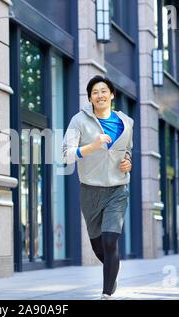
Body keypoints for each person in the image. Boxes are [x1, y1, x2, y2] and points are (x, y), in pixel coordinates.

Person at [62, 75, 133, 300]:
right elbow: (66, 155)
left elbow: (127, 149)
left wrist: (128, 162)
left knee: (111, 240)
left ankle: (106, 294)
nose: (100, 95)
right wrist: (92, 146)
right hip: (90, 190)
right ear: (90, 98)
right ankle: (112, 271)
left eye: (104, 91)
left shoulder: (126, 122)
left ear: (112, 95)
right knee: (99, 248)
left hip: (118, 189)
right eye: (95, 92)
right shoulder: (79, 121)